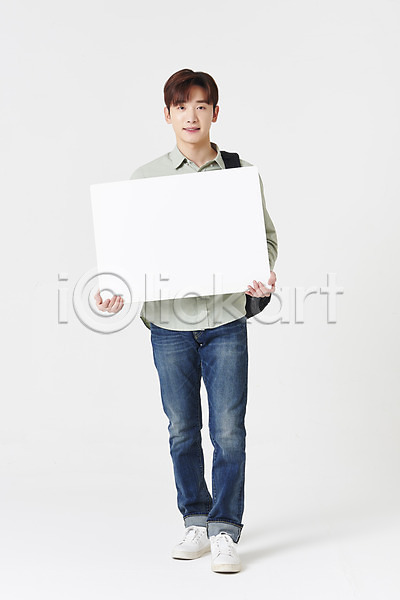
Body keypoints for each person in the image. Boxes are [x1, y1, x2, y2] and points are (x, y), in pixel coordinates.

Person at [94, 69, 278, 573]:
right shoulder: (146, 178)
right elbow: (129, 256)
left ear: (215, 112)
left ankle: (225, 529)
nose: (191, 116)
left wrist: (261, 273)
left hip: (225, 321)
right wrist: (117, 291)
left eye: (201, 106)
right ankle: (195, 519)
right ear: (168, 115)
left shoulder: (239, 173)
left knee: (229, 431)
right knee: (181, 429)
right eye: (181, 107)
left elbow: (266, 239)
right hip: (169, 327)